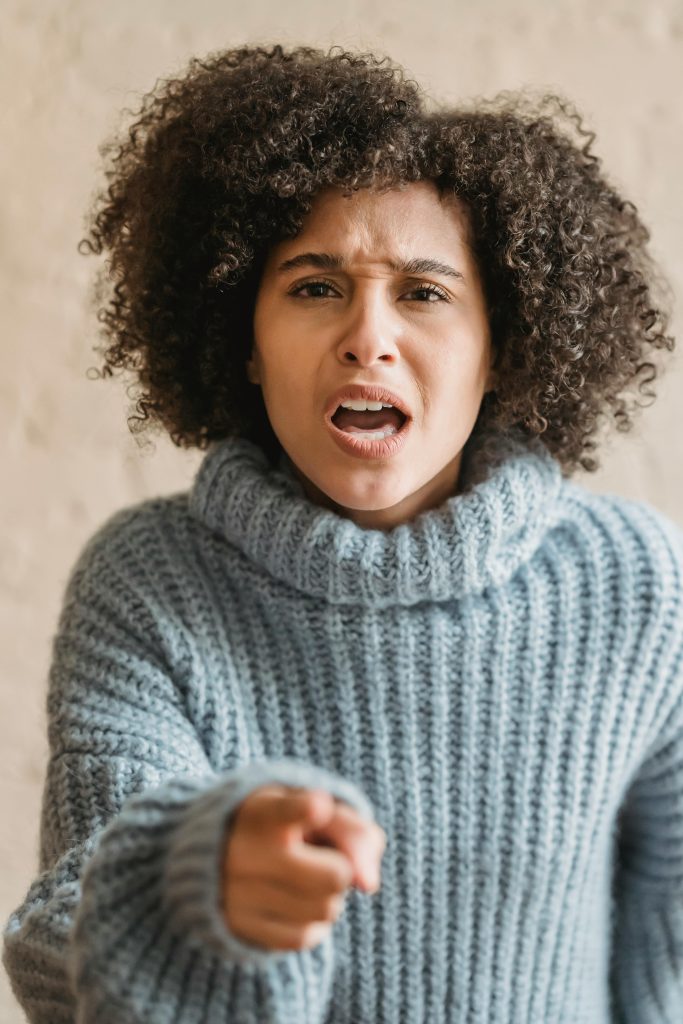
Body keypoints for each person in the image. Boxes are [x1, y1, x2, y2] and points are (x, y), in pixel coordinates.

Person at [3, 42, 682, 1024]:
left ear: (502, 347)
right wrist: (192, 880)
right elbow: (56, 951)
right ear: (241, 337)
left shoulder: (636, 584)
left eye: (423, 292)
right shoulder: (147, 581)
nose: (368, 335)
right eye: (314, 286)